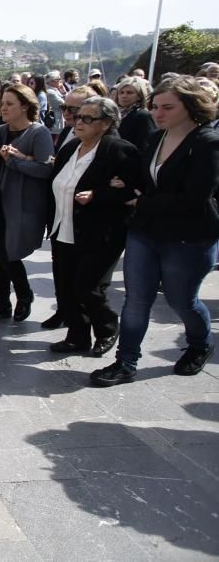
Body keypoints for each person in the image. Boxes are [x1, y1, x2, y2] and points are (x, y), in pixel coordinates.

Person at [91, 76, 219, 386]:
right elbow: (145, 180)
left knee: (181, 301)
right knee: (136, 299)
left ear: (190, 107)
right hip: (145, 231)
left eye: (167, 107)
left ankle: (200, 345)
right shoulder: (154, 138)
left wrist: (141, 200)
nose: (158, 113)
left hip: (188, 236)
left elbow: (194, 197)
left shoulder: (208, 143)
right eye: (155, 106)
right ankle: (126, 362)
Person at [47, 97, 141, 356]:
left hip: (102, 233)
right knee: (65, 287)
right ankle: (77, 335)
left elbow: (134, 191)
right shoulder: (69, 149)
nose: (79, 122)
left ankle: (107, 328)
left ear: (106, 123)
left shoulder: (119, 150)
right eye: (78, 116)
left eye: (88, 118)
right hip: (63, 227)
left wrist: (98, 195)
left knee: (88, 286)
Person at [0, 85, 53, 322]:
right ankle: (2, 302)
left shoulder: (39, 133)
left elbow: (45, 169)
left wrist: (15, 161)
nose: (4, 107)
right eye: (3, 102)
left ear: (25, 106)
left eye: (10, 103)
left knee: (7, 252)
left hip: (22, 204)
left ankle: (23, 295)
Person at [115, 76, 158, 152]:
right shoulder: (115, 114)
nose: (124, 96)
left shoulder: (143, 116)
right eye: (121, 92)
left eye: (129, 93)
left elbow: (145, 145)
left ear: (139, 96)